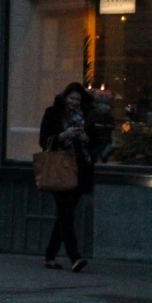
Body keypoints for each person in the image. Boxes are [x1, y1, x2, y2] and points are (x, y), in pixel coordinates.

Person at [38, 82, 98, 272]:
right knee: (65, 213)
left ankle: (50, 255)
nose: (74, 102)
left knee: (65, 215)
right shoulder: (53, 113)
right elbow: (43, 140)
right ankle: (75, 257)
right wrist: (64, 135)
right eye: (71, 98)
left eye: (78, 99)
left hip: (80, 171)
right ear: (65, 98)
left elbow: (95, 141)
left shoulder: (87, 117)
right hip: (59, 169)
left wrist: (84, 138)